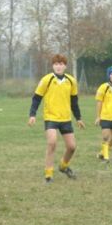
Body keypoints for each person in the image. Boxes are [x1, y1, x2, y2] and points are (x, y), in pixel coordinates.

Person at [28, 53, 85, 182]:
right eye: (56, 64)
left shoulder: (71, 81)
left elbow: (74, 102)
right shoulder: (46, 80)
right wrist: (32, 115)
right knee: (52, 142)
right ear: (52, 66)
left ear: (65, 66)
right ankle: (48, 175)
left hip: (65, 118)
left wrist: (79, 118)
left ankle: (64, 166)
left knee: (72, 147)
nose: (58, 67)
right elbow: (36, 98)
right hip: (51, 117)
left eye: (61, 64)